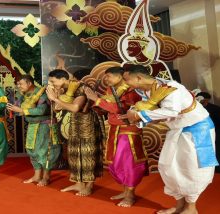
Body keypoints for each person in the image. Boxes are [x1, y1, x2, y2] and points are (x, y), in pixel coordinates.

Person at [121, 65, 218, 214]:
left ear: (138, 77)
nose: (126, 84)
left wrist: (139, 116)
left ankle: (191, 208)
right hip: (177, 129)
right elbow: (157, 113)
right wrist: (136, 119)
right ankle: (179, 205)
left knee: (193, 168)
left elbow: (171, 111)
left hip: (198, 129)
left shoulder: (172, 87)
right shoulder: (147, 91)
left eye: (127, 80)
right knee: (168, 166)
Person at [84, 66, 147, 207]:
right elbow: (108, 109)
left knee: (128, 163)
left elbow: (120, 110)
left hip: (128, 130)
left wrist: (97, 99)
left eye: (109, 76)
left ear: (120, 76)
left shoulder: (132, 91)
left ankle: (130, 196)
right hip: (114, 129)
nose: (106, 79)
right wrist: (96, 104)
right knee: (115, 162)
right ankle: (125, 192)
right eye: (105, 76)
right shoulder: (110, 90)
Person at [46, 69, 104, 196]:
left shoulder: (80, 87)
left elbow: (75, 108)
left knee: (87, 154)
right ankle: (78, 183)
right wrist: (56, 97)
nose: (51, 84)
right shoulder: (65, 89)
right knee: (74, 154)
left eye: (53, 81)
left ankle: (89, 185)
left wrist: (55, 99)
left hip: (87, 124)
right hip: (73, 124)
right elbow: (57, 109)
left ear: (63, 79)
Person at [7, 75, 61, 186]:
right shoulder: (23, 94)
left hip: (45, 126)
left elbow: (41, 111)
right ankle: (37, 176)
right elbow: (20, 109)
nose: (19, 86)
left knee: (46, 151)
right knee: (32, 151)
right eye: (18, 84)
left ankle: (46, 177)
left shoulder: (42, 93)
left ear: (29, 83)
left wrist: (22, 110)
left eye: (21, 84)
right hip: (33, 125)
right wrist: (13, 108)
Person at [196, 91, 220, 173]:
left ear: (208, 100)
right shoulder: (194, 109)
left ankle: (216, 169)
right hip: (199, 135)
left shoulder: (216, 109)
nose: (204, 103)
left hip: (215, 133)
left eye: (205, 101)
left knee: (216, 151)